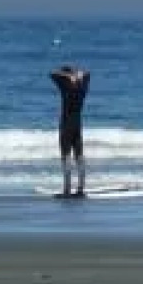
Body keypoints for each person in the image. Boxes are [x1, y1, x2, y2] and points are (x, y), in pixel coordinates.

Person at [50, 65, 90, 196]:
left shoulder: (66, 86)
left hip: (66, 124)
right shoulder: (82, 87)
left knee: (66, 155)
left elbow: (53, 74)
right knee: (79, 154)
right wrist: (78, 75)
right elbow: (87, 74)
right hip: (78, 124)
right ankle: (80, 189)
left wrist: (68, 76)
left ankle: (67, 190)